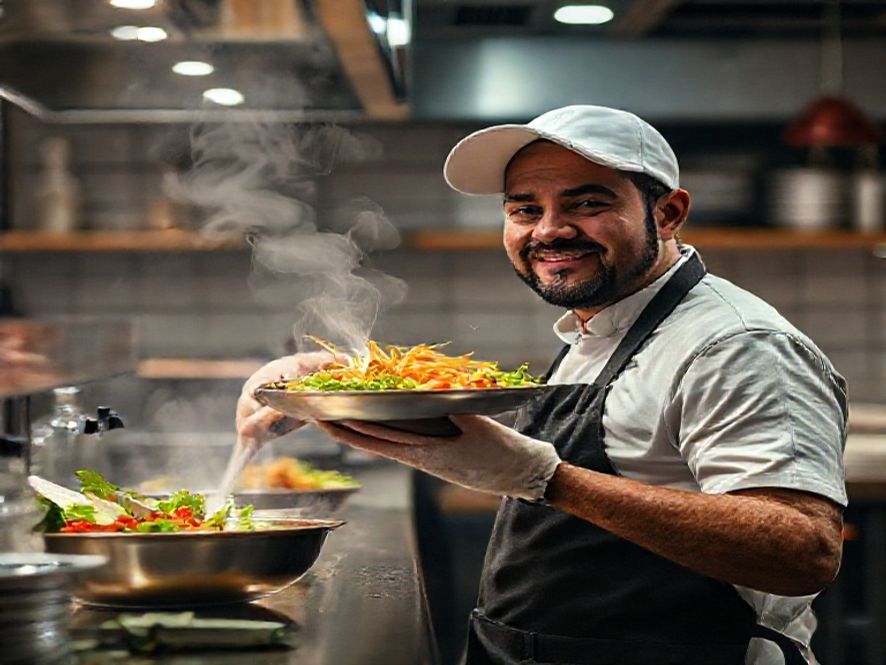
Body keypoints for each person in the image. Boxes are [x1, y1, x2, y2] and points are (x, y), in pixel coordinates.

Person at [236, 105, 847, 665]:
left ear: (668, 213)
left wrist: (546, 479)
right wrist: (336, 386)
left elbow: (801, 549)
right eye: (525, 208)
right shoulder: (606, 324)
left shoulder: (736, 345)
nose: (549, 230)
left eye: (586, 204)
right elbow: (567, 459)